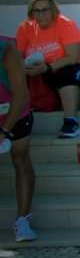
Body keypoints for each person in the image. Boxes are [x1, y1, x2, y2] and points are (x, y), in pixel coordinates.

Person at [17, 0, 80, 138]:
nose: (41, 14)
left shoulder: (66, 24)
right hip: (43, 69)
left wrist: (47, 68)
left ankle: (71, 123)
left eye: (45, 10)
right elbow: (18, 56)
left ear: (53, 10)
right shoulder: (24, 28)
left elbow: (73, 57)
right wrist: (25, 68)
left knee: (66, 73)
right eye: (36, 11)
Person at [0, 35, 34, 241]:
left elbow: (21, 95)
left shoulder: (6, 49)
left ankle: (23, 220)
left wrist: (4, 131)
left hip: (15, 112)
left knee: (20, 158)